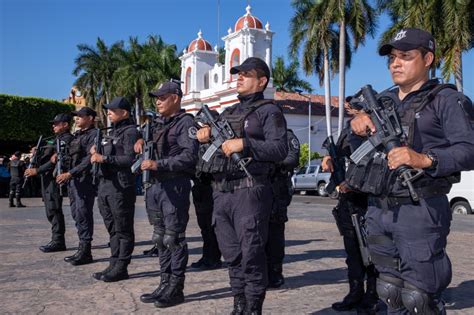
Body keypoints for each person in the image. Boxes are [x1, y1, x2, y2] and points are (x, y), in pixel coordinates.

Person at [349, 28, 474, 314]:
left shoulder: (447, 100)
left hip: (420, 208)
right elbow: (356, 146)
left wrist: (424, 158)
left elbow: (469, 149)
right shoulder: (382, 101)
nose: (395, 63)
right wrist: (357, 124)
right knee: (389, 291)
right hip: (378, 208)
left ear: (427, 58)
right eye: (392, 58)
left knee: (419, 297)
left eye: (405, 56)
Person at [196, 57, 288, 314]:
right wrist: (203, 134)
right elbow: (211, 144)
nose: (239, 78)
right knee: (233, 256)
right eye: (238, 74)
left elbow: (280, 148)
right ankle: (239, 303)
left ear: (262, 81)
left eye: (246, 74)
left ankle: (253, 307)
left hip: (250, 190)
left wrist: (245, 144)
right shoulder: (228, 112)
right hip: (222, 192)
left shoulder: (269, 111)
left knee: (252, 256)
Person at [137, 81, 198, 308]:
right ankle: (164, 282)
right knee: (159, 238)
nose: (158, 101)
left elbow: (189, 156)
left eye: (162, 97)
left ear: (175, 97)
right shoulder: (158, 124)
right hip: (155, 187)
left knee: (174, 238)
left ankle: (176, 287)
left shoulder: (185, 123)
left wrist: (158, 164)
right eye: (157, 97)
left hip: (174, 186)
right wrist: (140, 141)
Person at [321, 125, 378, 314]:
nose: (350, 109)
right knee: (353, 252)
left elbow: (376, 164)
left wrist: (355, 185)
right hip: (348, 200)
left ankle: (372, 295)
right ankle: (355, 292)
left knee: (370, 253)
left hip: (368, 199)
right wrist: (329, 159)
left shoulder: (375, 127)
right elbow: (341, 154)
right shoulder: (347, 130)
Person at [90, 97, 139, 282]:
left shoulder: (130, 132)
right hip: (105, 185)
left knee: (123, 227)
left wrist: (104, 159)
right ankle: (114, 262)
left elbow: (130, 160)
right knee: (112, 228)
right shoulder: (109, 133)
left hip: (120, 186)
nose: (108, 112)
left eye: (112, 109)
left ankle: (122, 265)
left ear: (124, 112)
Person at [25, 113, 74, 252]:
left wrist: (37, 170)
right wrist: (37, 152)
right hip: (46, 179)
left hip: (53, 178)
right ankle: (56, 239)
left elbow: (56, 161)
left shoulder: (67, 139)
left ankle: (58, 241)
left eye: (56, 123)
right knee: (50, 210)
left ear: (65, 124)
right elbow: (47, 157)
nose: (53, 126)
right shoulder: (53, 140)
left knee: (54, 209)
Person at [56, 107, 97, 266]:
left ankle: (86, 251)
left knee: (83, 214)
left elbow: (88, 160)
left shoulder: (94, 135)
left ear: (91, 118)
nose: (77, 118)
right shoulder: (77, 135)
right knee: (76, 214)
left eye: (81, 116)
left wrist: (71, 173)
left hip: (84, 180)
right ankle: (82, 248)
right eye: (76, 116)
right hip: (74, 181)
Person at [265, 129, 300, 288]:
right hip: (258, 190)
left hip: (277, 188)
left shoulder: (286, 135)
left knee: (275, 235)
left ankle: (275, 272)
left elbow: (292, 158)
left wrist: (271, 163)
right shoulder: (258, 135)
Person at [190, 109, 222, 271]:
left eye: (203, 124)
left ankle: (213, 257)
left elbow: (209, 164)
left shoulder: (217, 142)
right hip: (200, 187)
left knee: (212, 226)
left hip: (212, 188)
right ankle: (207, 256)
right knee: (204, 226)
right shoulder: (200, 141)